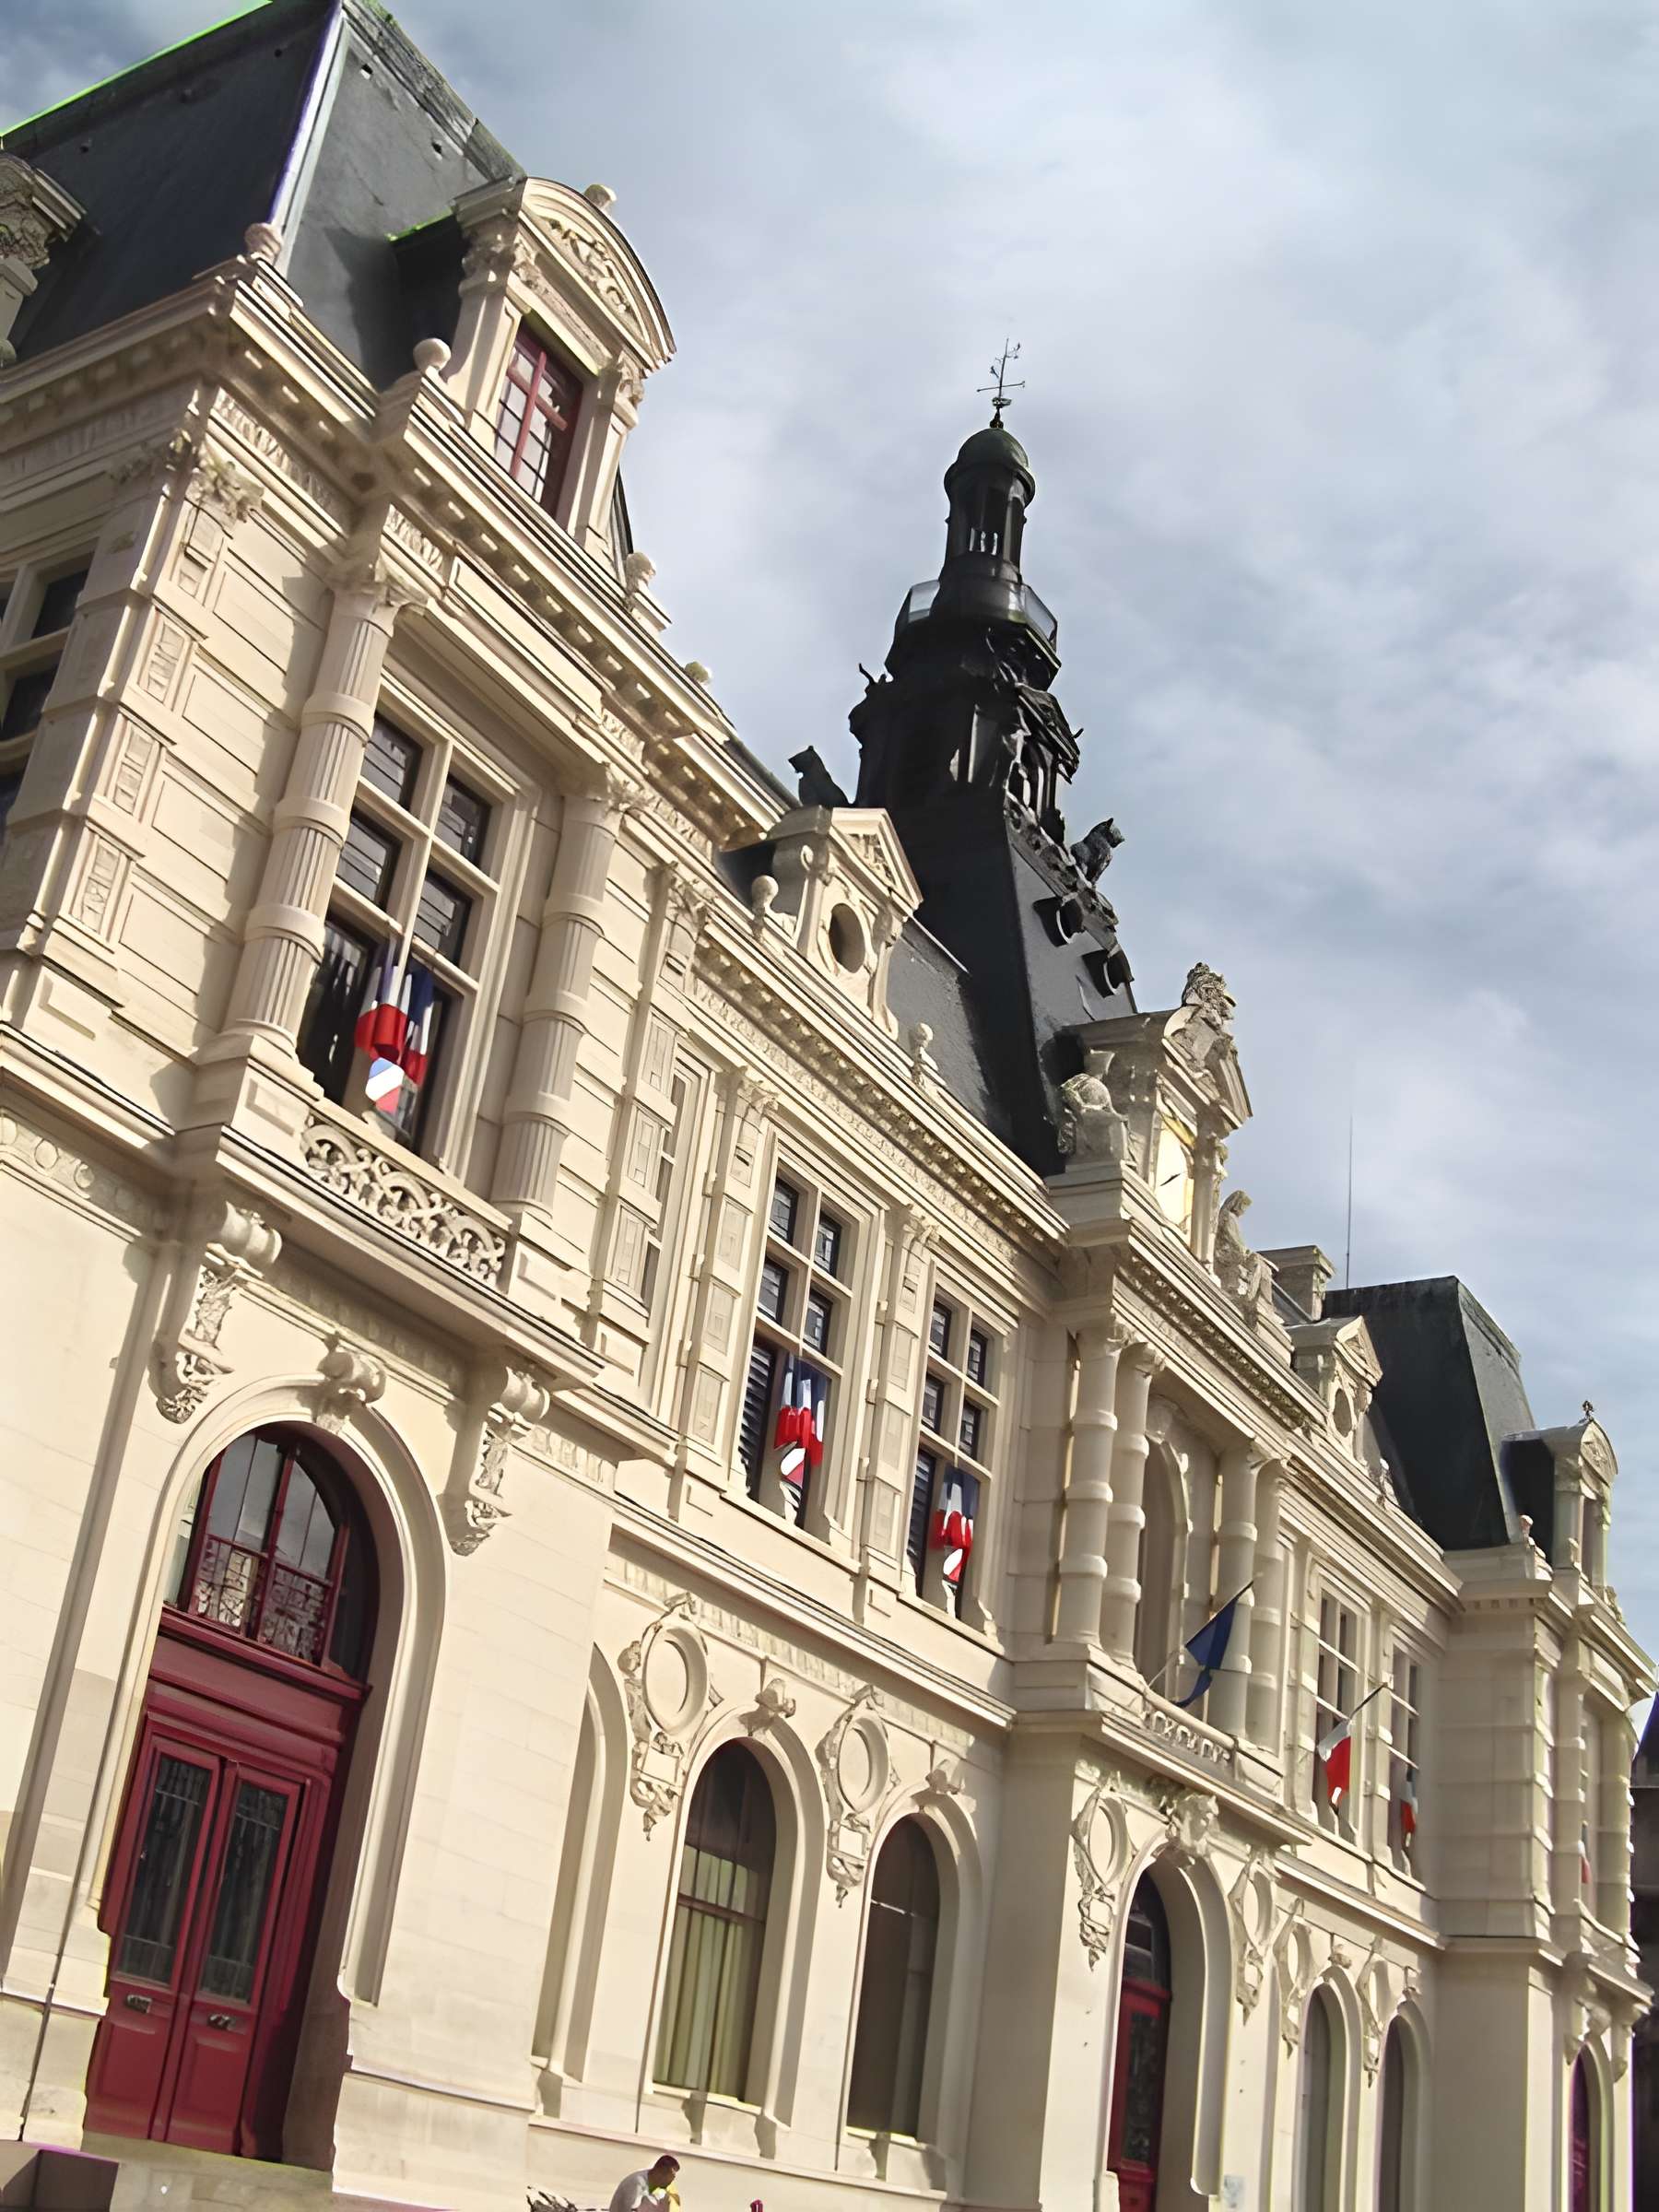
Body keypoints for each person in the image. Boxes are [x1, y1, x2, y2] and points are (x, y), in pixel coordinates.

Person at [607, 2155, 680, 2212]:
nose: (670, 2182)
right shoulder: (636, 2183)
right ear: (659, 2173)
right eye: (670, 2178)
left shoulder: (659, 2189)